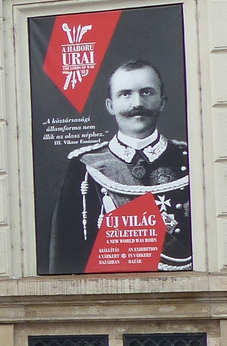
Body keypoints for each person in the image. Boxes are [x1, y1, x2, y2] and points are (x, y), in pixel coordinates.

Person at [48, 60, 191, 273]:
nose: (137, 104)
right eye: (125, 94)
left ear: (162, 102)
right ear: (110, 105)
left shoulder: (188, 161)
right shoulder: (86, 168)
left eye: (147, 92)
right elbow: (65, 254)